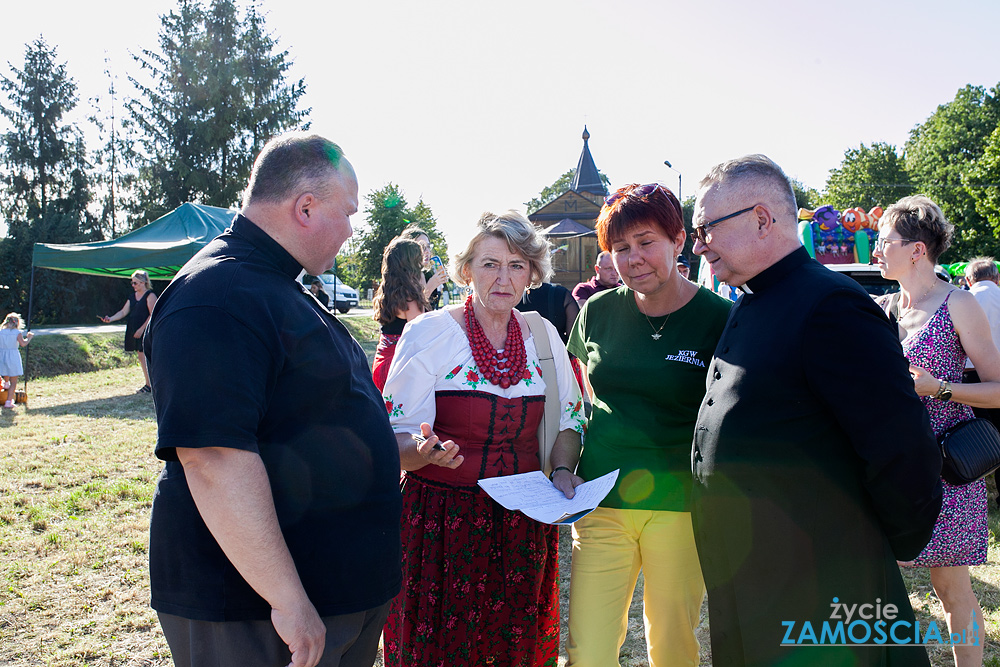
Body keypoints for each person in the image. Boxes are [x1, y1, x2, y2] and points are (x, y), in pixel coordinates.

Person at [143, 132, 402, 667]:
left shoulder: (271, 285)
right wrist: (287, 598)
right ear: (305, 207)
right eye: (348, 214)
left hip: (329, 597)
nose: (352, 232)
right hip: (256, 615)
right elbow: (213, 458)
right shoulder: (216, 296)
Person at [690, 154, 943, 666]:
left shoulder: (831, 304)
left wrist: (891, 542)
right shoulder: (751, 299)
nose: (699, 246)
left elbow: (899, 443)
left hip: (821, 573)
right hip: (754, 570)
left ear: (761, 219)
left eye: (706, 229)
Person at [381, 210, 586, 667]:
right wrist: (422, 450)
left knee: (512, 648)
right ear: (466, 268)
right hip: (441, 523)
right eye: (490, 263)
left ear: (532, 273)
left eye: (516, 265)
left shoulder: (544, 337)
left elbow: (570, 421)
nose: (503, 278)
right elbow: (393, 437)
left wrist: (563, 468)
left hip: (522, 523)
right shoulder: (429, 332)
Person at [564, 183, 731, 667]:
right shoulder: (597, 312)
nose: (633, 258)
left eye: (645, 242)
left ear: (679, 240)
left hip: (682, 504)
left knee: (673, 646)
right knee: (589, 648)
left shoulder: (720, 318)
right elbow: (578, 402)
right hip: (600, 498)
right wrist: (561, 465)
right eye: (620, 248)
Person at [873, 198, 998, 667]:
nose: (876, 251)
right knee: (876, 581)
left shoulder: (957, 303)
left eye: (885, 241)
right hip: (889, 464)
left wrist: (939, 387)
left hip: (946, 466)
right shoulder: (882, 307)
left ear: (917, 250)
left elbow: (999, 389)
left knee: (950, 588)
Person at [964, 257, 1000, 508]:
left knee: (971, 437)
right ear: (997, 279)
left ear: (968, 280)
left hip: (967, 378)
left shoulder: (961, 300)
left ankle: (971, 495)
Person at [371, 237, 429, 391]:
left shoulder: (388, 292)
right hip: (399, 367)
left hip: (381, 363)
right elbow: (421, 335)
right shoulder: (410, 298)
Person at [101, 270, 157, 393]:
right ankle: (148, 384)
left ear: (143, 283)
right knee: (141, 357)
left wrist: (142, 330)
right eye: (132, 283)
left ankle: (151, 385)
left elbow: (153, 315)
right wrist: (110, 319)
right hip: (134, 329)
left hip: (145, 331)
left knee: (147, 357)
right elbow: (123, 312)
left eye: (135, 283)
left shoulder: (150, 296)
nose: (133, 285)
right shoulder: (132, 297)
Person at [516, 279, 578, 343]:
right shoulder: (561, 294)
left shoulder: (512, 295)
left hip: (517, 350)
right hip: (556, 350)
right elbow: (575, 339)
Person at [400, 225, 448, 308]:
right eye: (421, 246)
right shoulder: (401, 277)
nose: (427, 251)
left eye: (428, 247)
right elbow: (415, 315)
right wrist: (430, 287)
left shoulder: (425, 275)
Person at [0, 312, 33, 408]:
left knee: (5, 371)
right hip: (13, 355)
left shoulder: (1, 332)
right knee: (14, 381)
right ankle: (8, 402)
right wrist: (29, 337)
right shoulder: (17, 333)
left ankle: (6, 383)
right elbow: (23, 343)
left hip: (2, 354)